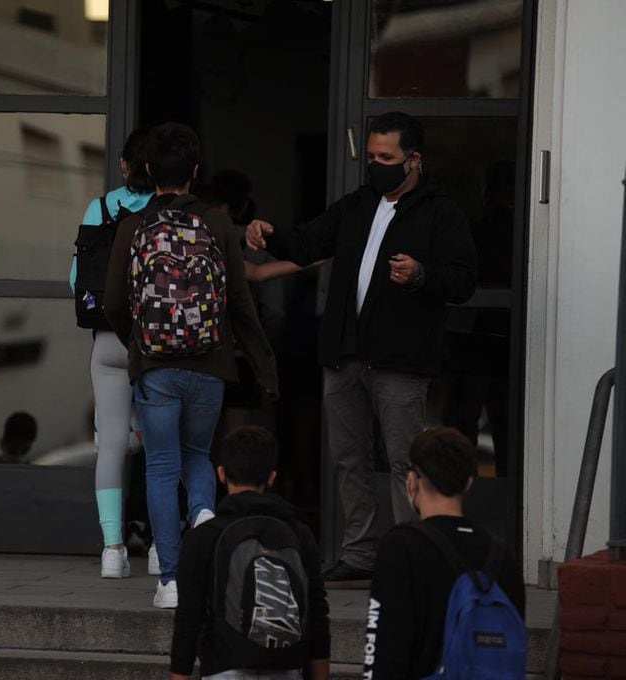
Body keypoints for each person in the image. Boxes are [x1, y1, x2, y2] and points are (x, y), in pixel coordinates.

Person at [246, 111, 477, 586]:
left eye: (386, 158)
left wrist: (422, 274)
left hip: (400, 357)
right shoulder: (357, 204)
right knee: (349, 457)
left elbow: (463, 280)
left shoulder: (441, 213)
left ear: (414, 161)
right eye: (371, 157)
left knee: (402, 460)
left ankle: (413, 552)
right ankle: (361, 552)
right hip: (344, 354)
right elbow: (309, 241)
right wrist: (269, 234)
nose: (377, 165)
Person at [105, 122, 278, 608]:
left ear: (146, 171)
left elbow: (115, 301)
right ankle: (203, 510)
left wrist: (139, 344)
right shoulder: (219, 225)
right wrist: (263, 365)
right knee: (199, 455)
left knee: (161, 466)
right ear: (195, 172)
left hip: (156, 364)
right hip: (210, 363)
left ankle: (171, 582)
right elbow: (240, 301)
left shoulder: (132, 227)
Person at [362, 427, 526, 679]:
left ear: (412, 482)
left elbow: (383, 653)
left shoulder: (401, 547)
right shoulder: (501, 555)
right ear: (468, 483)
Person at [172, 426, 330, 680]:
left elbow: (188, 620)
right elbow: (318, 616)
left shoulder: (202, 537)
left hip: (224, 666)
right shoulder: (298, 533)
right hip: (287, 668)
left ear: (221, 474)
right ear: (271, 477)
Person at [72, 127, 156, 578]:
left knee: (109, 445)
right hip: (159, 341)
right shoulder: (172, 211)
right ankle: (163, 547)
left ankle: (112, 549)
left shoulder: (100, 207)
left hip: (107, 339)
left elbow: (75, 280)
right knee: (164, 443)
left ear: (124, 165)